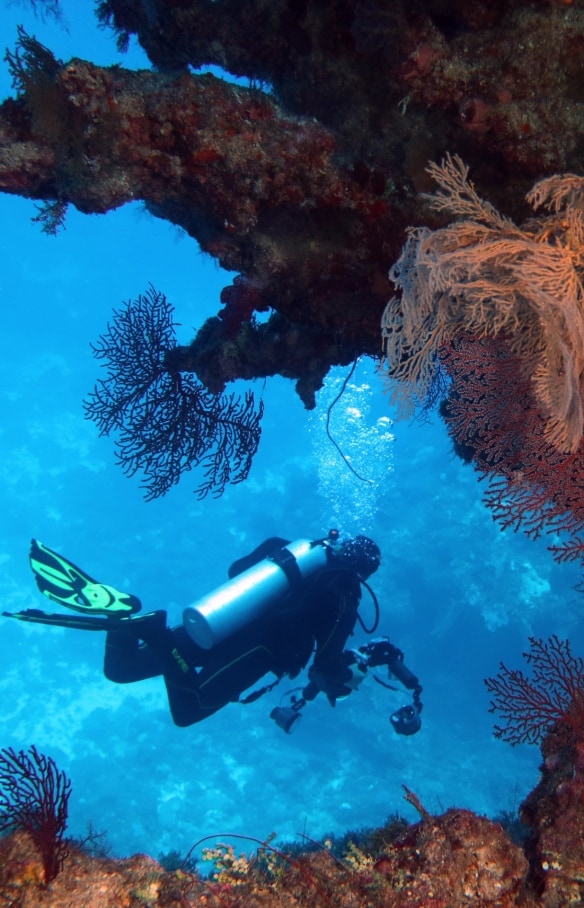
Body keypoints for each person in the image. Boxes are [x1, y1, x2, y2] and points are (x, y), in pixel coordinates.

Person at [3, 530, 423, 733]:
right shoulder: (343, 597)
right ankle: (154, 631)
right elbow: (327, 661)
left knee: (122, 670)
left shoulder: (293, 553)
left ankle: (124, 618)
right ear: (364, 573)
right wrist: (344, 675)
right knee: (189, 711)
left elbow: (237, 573)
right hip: (254, 653)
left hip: (217, 623)